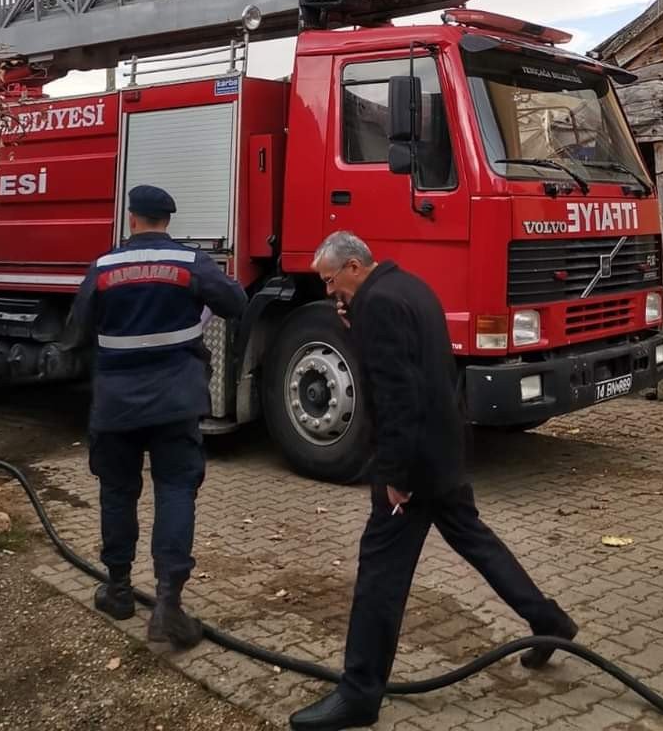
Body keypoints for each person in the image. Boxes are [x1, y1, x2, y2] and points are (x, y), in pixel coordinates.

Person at [289, 232, 577, 731]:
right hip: (444, 450)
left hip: (414, 467)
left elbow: (396, 392)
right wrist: (355, 322)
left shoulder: (377, 304)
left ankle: (359, 693)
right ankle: (548, 621)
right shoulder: (411, 288)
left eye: (331, 281)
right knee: (476, 541)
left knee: (380, 575)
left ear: (354, 266)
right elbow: (429, 372)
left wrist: (395, 475)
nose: (330, 292)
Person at [65, 183, 247, 649]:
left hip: (116, 406)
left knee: (118, 492)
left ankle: (119, 590)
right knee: (176, 490)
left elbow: (76, 332)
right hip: (176, 403)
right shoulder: (190, 264)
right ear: (167, 221)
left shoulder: (104, 267)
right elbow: (236, 304)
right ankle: (168, 604)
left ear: (131, 218)